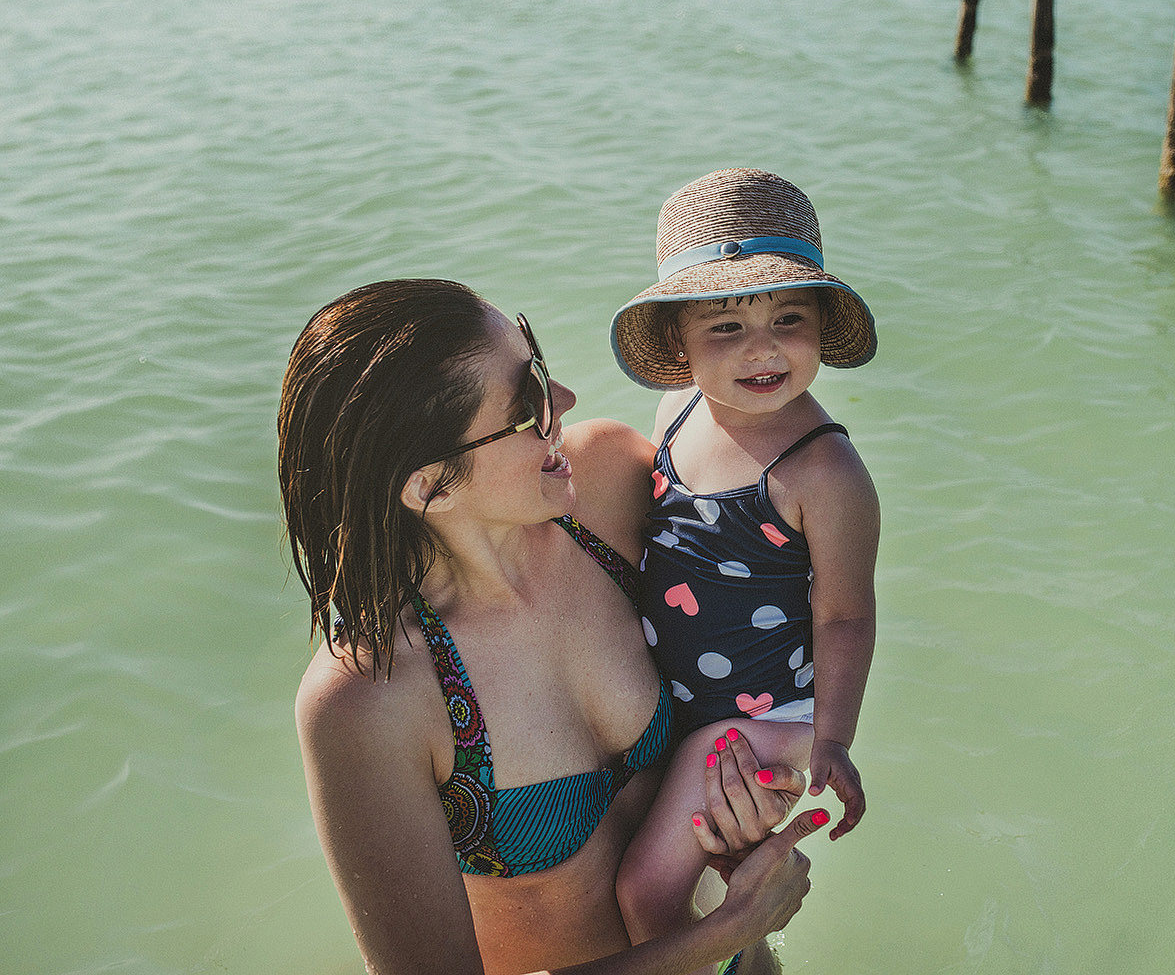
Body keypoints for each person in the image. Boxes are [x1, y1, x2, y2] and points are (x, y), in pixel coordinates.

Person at [279, 278, 824, 975]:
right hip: (722, 941)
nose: (562, 398)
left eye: (536, 361)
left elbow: (757, 653)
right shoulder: (374, 696)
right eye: (527, 401)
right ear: (432, 486)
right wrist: (727, 929)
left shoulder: (607, 487)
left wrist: (744, 818)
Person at [606, 169, 880, 967]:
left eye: (788, 319)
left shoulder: (822, 471)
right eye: (725, 327)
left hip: (753, 721)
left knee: (645, 894)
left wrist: (833, 738)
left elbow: (846, 616)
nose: (762, 349)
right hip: (689, 701)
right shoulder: (675, 411)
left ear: (822, 329)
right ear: (678, 343)